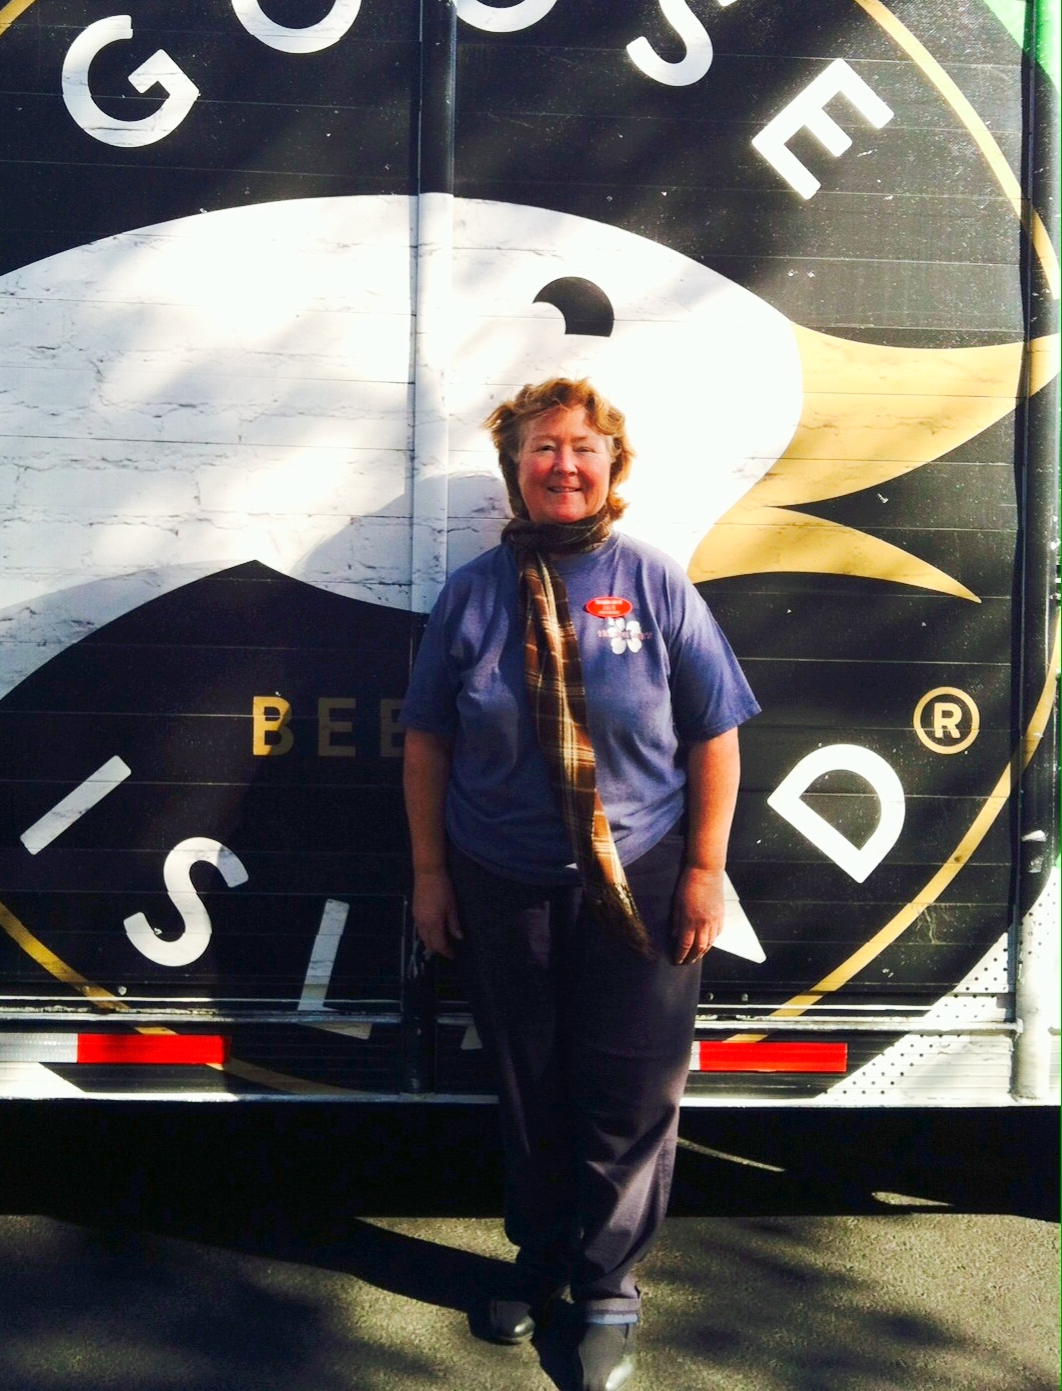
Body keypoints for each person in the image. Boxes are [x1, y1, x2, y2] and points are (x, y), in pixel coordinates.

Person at [399, 377, 758, 1391]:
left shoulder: (654, 583)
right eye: (543, 447)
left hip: (641, 873)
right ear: (514, 468)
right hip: (500, 876)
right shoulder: (472, 594)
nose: (564, 464)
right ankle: (543, 1258)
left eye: (583, 447)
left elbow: (715, 733)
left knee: (628, 1089)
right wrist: (430, 875)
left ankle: (608, 1290)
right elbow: (426, 742)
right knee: (530, 1084)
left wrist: (703, 868)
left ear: (612, 464)